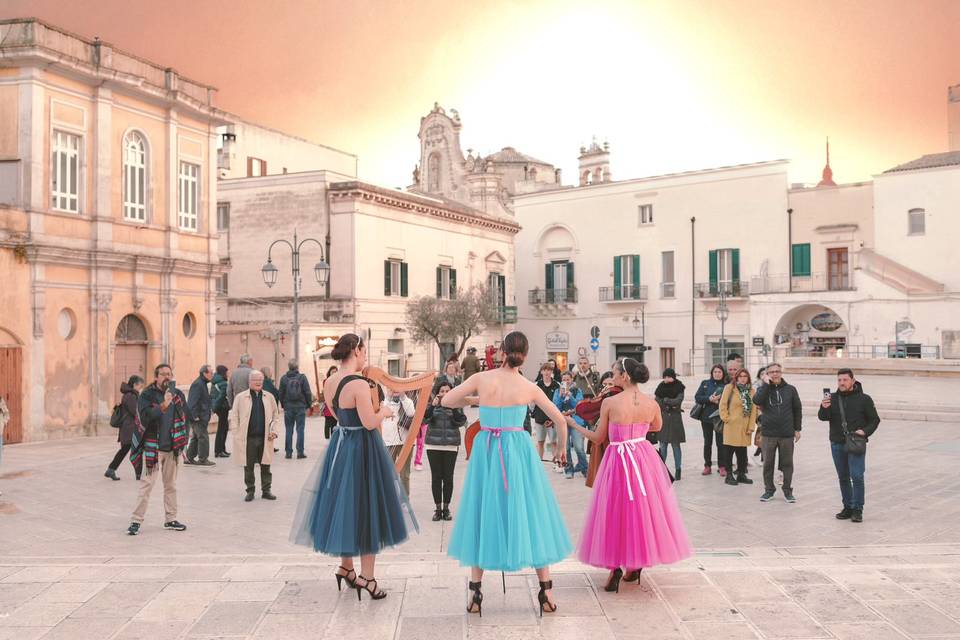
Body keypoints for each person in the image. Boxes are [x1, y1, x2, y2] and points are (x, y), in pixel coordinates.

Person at [442, 331, 571, 617]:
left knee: (481, 512)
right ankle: (545, 591)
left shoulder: (482, 379)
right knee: (532, 513)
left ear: (501, 352)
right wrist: (561, 450)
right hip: (519, 453)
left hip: (487, 449)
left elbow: (447, 401)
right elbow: (560, 421)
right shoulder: (529, 386)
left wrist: (476, 400)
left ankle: (475, 591)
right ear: (524, 355)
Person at [290, 333, 416, 601]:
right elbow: (370, 422)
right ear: (356, 351)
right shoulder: (359, 384)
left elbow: (336, 414)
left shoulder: (330, 381)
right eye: (365, 351)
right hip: (363, 448)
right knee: (367, 510)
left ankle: (346, 567)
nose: (366, 356)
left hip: (342, 445)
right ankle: (368, 578)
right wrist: (384, 411)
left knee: (345, 506)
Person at [571, 358, 692, 592]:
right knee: (642, 510)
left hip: (618, 457)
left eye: (615, 374)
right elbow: (656, 427)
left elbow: (597, 438)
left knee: (614, 511)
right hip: (643, 458)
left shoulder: (611, 402)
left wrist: (573, 424)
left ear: (624, 376)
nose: (612, 378)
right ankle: (635, 565)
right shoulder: (651, 402)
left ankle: (614, 567)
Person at [126, 364, 189, 535]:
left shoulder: (178, 395)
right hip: (153, 448)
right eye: (163, 374)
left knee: (171, 486)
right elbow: (145, 417)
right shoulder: (147, 394)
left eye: (169, 374)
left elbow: (185, 418)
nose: (167, 377)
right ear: (156, 377)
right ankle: (136, 521)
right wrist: (163, 405)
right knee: (146, 485)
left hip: (173, 448)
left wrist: (184, 441)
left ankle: (171, 519)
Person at [819, 368, 880, 523]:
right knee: (843, 477)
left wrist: (864, 431)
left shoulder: (864, 399)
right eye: (839, 380)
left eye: (845, 380)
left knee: (857, 476)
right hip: (837, 443)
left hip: (855, 442)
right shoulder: (831, 398)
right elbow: (823, 418)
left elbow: (875, 420)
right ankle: (848, 507)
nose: (842, 383)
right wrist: (823, 408)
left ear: (853, 381)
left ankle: (858, 509)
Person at [753, 363, 802, 503]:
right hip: (768, 433)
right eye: (772, 372)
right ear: (767, 374)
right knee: (768, 463)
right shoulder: (763, 389)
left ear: (781, 373)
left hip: (786, 433)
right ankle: (769, 490)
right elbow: (756, 400)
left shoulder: (790, 389)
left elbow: (797, 410)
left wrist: (797, 429)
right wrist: (766, 386)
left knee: (787, 463)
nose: (775, 374)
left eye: (777, 371)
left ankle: (787, 490)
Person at [231, 370, 280, 501]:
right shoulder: (241, 397)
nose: (258, 382)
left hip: (265, 437)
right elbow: (234, 416)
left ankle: (266, 490)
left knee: (266, 465)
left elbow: (276, 416)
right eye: (255, 380)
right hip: (248, 438)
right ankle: (250, 490)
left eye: (260, 380)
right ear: (249, 382)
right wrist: (236, 432)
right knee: (248, 466)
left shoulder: (269, 397)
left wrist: (274, 431)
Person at [424, 382, 467, 521]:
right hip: (433, 445)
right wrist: (432, 406)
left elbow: (460, 421)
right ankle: (437, 509)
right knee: (436, 478)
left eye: (448, 391)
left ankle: (446, 509)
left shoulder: (456, 404)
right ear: (437, 392)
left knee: (448, 478)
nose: (444, 393)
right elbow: (424, 419)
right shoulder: (432, 404)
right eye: (442, 391)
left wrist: (452, 406)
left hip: (450, 445)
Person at [718, 368, 757, 486]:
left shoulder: (751, 391)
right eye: (740, 376)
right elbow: (722, 404)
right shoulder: (729, 388)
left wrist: (751, 426)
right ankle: (729, 475)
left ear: (748, 378)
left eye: (745, 376)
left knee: (742, 452)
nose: (743, 378)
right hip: (731, 426)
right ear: (736, 377)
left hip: (744, 427)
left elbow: (754, 410)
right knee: (729, 451)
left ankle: (741, 474)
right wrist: (726, 418)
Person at [105, 375, 144, 481]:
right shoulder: (130, 396)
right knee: (137, 450)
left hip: (129, 428)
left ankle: (111, 469)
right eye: (140, 386)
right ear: (135, 384)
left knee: (126, 450)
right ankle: (139, 474)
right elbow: (135, 411)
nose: (141, 388)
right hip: (130, 429)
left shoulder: (130, 395)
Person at [380, 387, 416, 495]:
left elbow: (411, 413)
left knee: (405, 474)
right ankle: (390, 499)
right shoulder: (383, 403)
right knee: (388, 473)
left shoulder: (407, 401)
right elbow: (381, 413)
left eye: (396, 387)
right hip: (388, 442)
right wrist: (388, 397)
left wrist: (403, 396)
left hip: (405, 442)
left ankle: (405, 500)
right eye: (391, 387)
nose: (394, 390)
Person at [554, 371, 588, 479]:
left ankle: (585, 468)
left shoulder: (577, 391)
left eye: (568, 379)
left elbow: (579, 406)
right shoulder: (557, 391)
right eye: (564, 380)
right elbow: (555, 407)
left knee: (579, 447)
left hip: (575, 422)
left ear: (572, 380)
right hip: (562, 422)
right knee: (566, 448)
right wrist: (560, 396)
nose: (566, 382)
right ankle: (569, 469)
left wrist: (571, 396)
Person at [694, 365, 726, 476]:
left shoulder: (726, 385)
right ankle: (707, 466)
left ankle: (722, 466)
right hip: (706, 418)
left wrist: (719, 401)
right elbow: (697, 397)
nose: (717, 374)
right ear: (712, 373)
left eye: (720, 372)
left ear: (723, 373)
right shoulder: (705, 384)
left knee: (721, 443)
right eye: (715, 371)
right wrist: (709, 399)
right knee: (708, 443)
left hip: (720, 418)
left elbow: (730, 400)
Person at [654, 368, 685, 480]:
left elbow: (678, 401)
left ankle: (678, 469)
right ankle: (662, 469)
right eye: (665, 377)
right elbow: (657, 401)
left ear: (673, 377)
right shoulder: (660, 387)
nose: (666, 379)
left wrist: (666, 401)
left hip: (675, 419)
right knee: (663, 445)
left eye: (669, 376)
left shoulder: (679, 387)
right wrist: (669, 404)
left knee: (676, 445)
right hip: (663, 419)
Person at [279, 359, 313, 460]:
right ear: (297, 367)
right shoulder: (302, 377)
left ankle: (288, 453)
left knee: (289, 429)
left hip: (288, 407)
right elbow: (307, 392)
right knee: (300, 430)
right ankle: (300, 452)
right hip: (300, 407)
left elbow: (280, 393)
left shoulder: (284, 378)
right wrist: (308, 405)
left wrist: (283, 405)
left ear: (288, 367)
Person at [532, 362, 561, 466]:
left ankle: (557, 463)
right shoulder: (536, 385)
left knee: (553, 442)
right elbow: (532, 401)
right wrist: (533, 412)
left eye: (549, 370)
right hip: (540, 417)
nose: (547, 372)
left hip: (552, 418)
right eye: (545, 370)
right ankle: (539, 463)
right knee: (540, 441)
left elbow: (559, 401)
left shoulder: (557, 385)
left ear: (551, 372)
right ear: (541, 372)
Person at [185, 365, 215, 466]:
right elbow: (192, 401)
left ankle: (189, 458)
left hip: (202, 416)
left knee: (196, 437)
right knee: (203, 437)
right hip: (198, 417)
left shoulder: (203, 383)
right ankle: (203, 459)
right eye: (211, 373)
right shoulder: (198, 384)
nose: (213, 374)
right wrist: (194, 416)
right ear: (204, 373)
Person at [211, 365, 231, 458]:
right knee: (222, 429)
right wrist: (215, 407)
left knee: (223, 428)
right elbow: (222, 396)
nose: (228, 374)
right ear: (223, 372)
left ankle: (221, 450)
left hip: (219, 408)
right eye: (227, 372)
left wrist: (214, 407)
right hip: (222, 408)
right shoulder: (223, 383)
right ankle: (219, 451)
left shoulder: (215, 381)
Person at [321, 365, 339, 439]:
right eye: (332, 372)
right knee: (327, 421)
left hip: (335, 403)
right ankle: (327, 437)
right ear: (329, 372)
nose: (334, 373)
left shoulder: (338, 380)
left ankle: (333, 436)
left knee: (334, 422)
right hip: (328, 403)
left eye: (335, 372)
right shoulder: (326, 381)